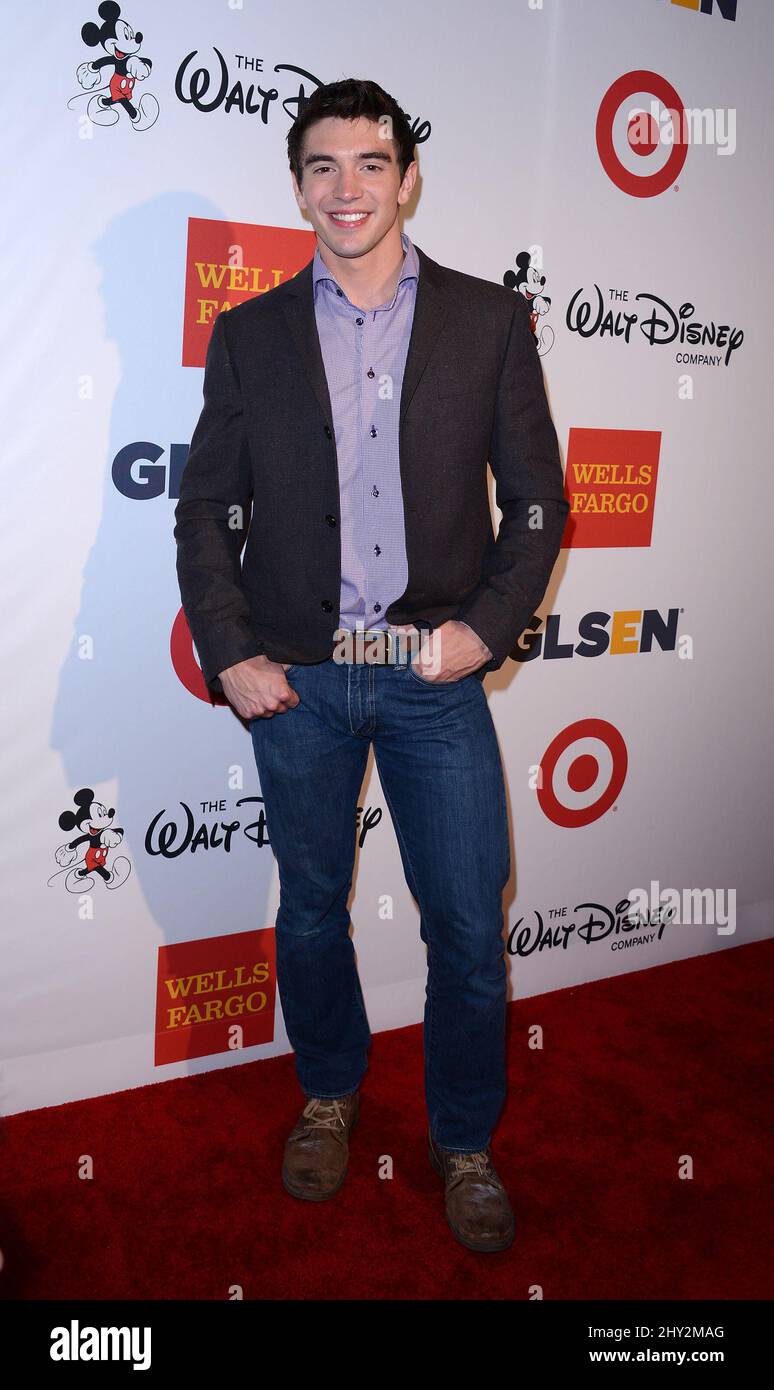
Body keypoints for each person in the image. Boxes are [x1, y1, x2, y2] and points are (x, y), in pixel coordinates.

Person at [174, 77, 569, 1254]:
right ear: (298, 187)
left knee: (463, 921)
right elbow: (204, 512)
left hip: (432, 676)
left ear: (406, 177)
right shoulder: (247, 336)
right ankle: (331, 1093)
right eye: (323, 167)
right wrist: (234, 648)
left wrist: (485, 630)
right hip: (295, 678)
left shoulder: (490, 322)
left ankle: (463, 1141)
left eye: (370, 164)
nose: (348, 188)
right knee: (309, 910)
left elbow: (540, 505)